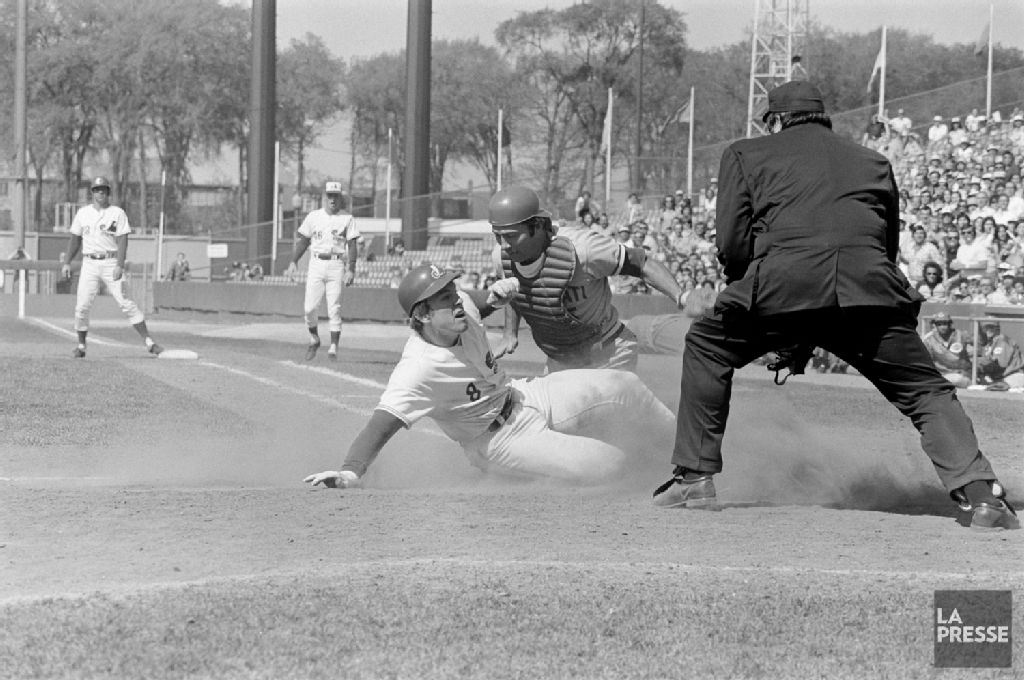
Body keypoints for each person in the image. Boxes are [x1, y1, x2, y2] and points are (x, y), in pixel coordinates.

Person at [652, 81, 1018, 531]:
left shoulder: (745, 153)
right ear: (822, 117)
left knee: (707, 345)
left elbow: (732, 244)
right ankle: (982, 495)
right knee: (925, 391)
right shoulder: (873, 160)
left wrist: (749, 294)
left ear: (776, 120)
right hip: (870, 289)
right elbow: (885, 246)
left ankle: (694, 477)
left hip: (782, 284)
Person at [302, 265, 674, 489]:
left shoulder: (461, 307)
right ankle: (513, 474)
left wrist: (494, 298)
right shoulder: (417, 371)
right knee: (612, 465)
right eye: (443, 298)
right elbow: (378, 427)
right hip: (499, 440)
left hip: (524, 395)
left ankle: (689, 452)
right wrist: (350, 473)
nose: (455, 299)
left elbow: (477, 303)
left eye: (452, 291)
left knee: (626, 386)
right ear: (423, 316)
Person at [486, 186, 686, 374]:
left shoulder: (584, 249)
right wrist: (510, 332)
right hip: (561, 359)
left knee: (595, 400)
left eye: (511, 236)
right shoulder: (502, 257)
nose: (504, 245)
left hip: (609, 350)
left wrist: (680, 296)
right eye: (498, 236)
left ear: (537, 226)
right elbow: (514, 292)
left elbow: (641, 263)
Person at [60, 176, 163, 359]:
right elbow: (75, 240)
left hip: (110, 261)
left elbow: (123, 240)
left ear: (108, 192)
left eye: (104, 189)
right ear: (92, 192)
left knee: (126, 303)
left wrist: (119, 265)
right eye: (97, 189)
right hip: (89, 263)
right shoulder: (83, 213)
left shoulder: (117, 213)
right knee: (82, 306)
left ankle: (149, 342)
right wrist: (67, 261)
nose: (100, 193)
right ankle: (81, 346)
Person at [285, 181, 360, 361]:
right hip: (316, 263)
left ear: (340, 197)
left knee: (334, 307)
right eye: (330, 195)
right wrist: (294, 261)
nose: (332, 199)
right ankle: (314, 338)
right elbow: (303, 241)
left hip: (336, 263)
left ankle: (333, 347)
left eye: (336, 196)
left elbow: (352, 245)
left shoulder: (347, 218)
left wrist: (351, 269)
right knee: (309, 308)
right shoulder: (314, 216)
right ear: (325, 197)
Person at [921, 312, 973, 388]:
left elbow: (981, 342)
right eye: (939, 324)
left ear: (950, 324)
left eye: (945, 324)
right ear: (935, 325)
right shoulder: (929, 340)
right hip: (941, 374)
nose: (942, 327)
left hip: (961, 374)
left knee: (957, 379)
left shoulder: (960, 335)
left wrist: (978, 326)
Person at [973, 318, 1024, 390]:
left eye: (991, 327)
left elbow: (1001, 364)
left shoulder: (1002, 340)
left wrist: (978, 363)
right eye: (986, 327)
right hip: (1002, 378)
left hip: (1014, 376)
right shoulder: (989, 343)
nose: (988, 329)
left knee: (994, 388)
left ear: (997, 328)